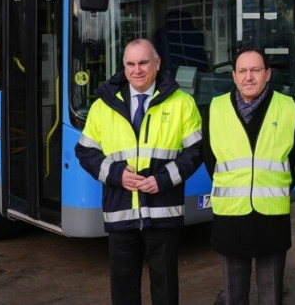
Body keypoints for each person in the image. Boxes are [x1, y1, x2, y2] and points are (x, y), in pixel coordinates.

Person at [75, 39, 203, 305]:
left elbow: (196, 152)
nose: (137, 70)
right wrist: (115, 175)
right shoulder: (103, 106)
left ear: (157, 64)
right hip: (120, 212)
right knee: (123, 292)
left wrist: (163, 179)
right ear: (124, 67)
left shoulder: (183, 103)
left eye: (143, 62)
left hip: (163, 211)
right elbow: (85, 152)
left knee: (165, 290)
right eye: (130, 64)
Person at [202, 46, 295, 305]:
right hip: (230, 219)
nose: (249, 76)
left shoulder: (289, 108)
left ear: (268, 74)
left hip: (271, 218)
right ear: (234, 76)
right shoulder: (215, 109)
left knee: (271, 296)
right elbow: (210, 158)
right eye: (243, 71)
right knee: (234, 295)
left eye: (255, 70)